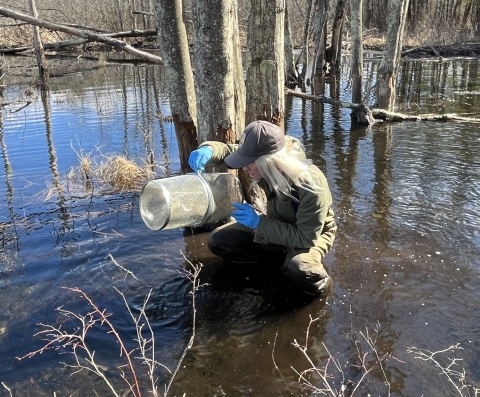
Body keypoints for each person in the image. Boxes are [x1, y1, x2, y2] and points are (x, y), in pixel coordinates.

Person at [188, 120, 336, 295]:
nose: (244, 167)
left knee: (300, 270)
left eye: (249, 163)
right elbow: (229, 151)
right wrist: (209, 150)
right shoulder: (265, 158)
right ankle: (277, 259)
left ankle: (324, 289)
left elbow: (306, 237)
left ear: (269, 161)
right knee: (219, 241)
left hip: (311, 233)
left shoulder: (311, 184)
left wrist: (259, 224)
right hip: (276, 221)